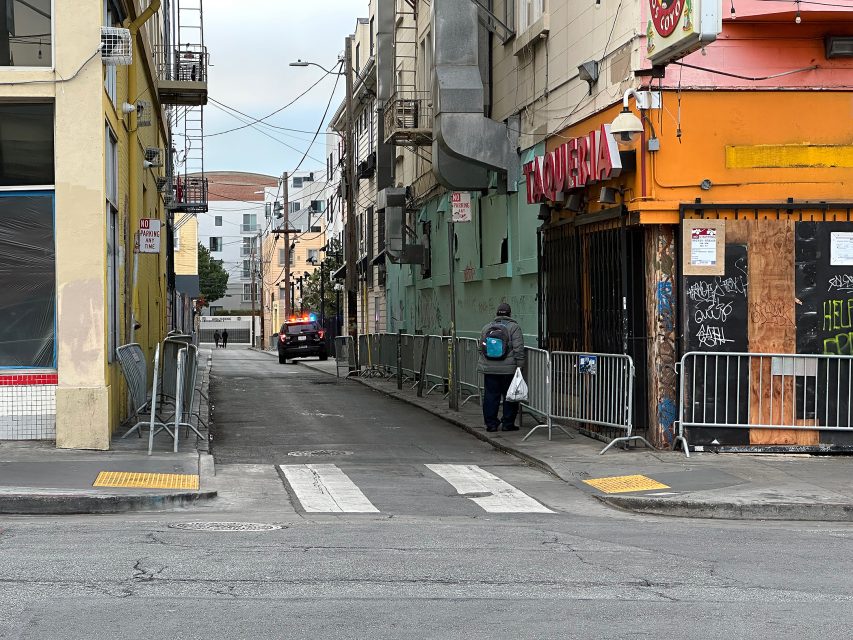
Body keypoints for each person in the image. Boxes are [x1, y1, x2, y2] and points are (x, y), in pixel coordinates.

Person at [478, 302, 526, 432]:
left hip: (490, 369)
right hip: (508, 370)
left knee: (490, 396)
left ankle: (491, 424)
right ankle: (507, 423)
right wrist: (520, 367)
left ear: (497, 313)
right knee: (510, 396)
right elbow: (518, 349)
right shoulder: (514, 328)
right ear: (509, 314)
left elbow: (480, 348)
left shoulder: (486, 327)